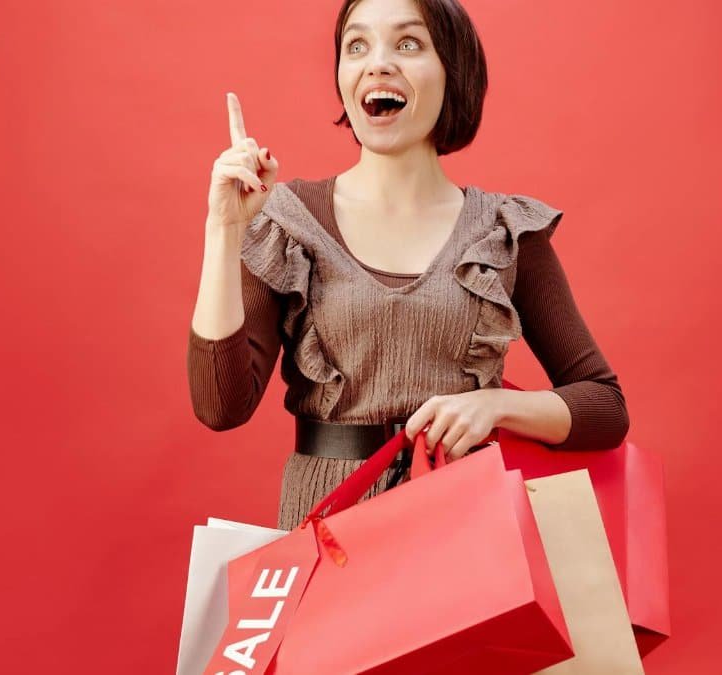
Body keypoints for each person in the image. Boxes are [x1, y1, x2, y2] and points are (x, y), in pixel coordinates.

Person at [188, 0, 628, 531]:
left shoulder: (502, 230)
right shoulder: (287, 219)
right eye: (357, 46)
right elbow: (221, 406)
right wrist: (224, 228)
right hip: (327, 538)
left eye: (408, 43)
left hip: (464, 531)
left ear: (452, 70)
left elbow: (605, 407)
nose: (377, 63)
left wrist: (495, 407)